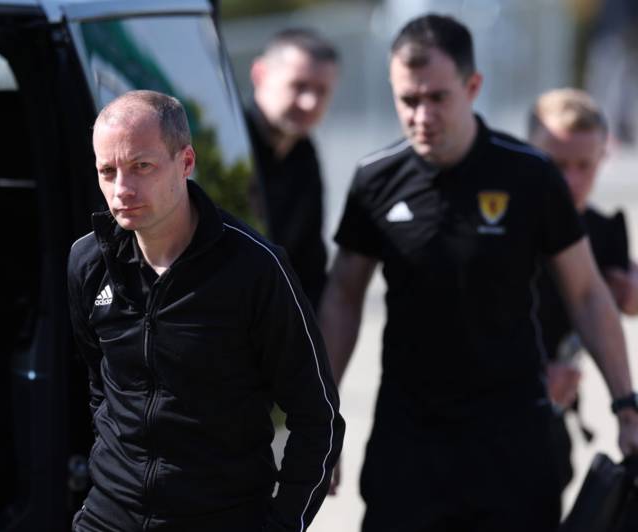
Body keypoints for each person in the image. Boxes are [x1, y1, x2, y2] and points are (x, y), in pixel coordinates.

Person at [319, 14, 638, 532]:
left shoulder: (529, 175)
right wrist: (322, 417)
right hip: (409, 438)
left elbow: (587, 294)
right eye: (408, 100)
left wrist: (626, 405)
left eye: (437, 97)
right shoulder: (376, 179)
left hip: (512, 438)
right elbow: (343, 298)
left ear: (472, 87)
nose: (422, 115)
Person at [67, 90, 344, 532]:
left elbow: (318, 418)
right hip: (108, 518)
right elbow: (102, 388)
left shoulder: (255, 269)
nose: (122, 190)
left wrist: (281, 524)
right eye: (108, 171)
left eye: (141, 166)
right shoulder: (88, 262)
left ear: (186, 162)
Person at [528, 87, 638, 491]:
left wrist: (629, 294)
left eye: (583, 165)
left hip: (555, 421)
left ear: (603, 158)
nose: (570, 180)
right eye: (557, 165)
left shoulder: (603, 231)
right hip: (489, 413)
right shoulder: (501, 226)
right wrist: (531, 376)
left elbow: (619, 300)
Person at [246, 29, 339, 310]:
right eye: (298, 86)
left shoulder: (304, 153)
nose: (310, 103)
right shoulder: (229, 143)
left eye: (321, 91)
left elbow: (310, 261)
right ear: (260, 75)